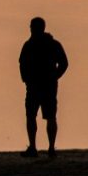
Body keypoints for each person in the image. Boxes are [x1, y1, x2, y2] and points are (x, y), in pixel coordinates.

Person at [19, 16, 68, 158]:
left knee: (39, 116)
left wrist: (55, 76)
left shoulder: (32, 45)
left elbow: (64, 63)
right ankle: (45, 148)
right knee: (42, 116)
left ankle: (43, 147)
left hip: (40, 86)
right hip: (42, 86)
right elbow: (22, 64)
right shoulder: (49, 44)